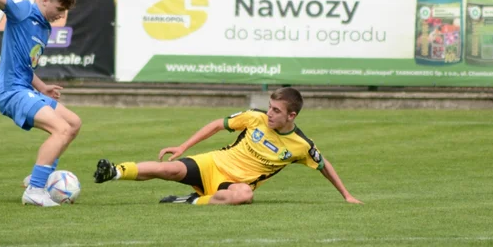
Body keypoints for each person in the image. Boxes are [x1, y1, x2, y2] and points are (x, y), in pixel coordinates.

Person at [94, 87, 362, 206]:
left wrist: (347, 195)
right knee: (171, 169)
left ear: (291, 116)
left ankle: (192, 201)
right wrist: (183, 146)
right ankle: (115, 171)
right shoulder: (255, 117)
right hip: (215, 163)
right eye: (270, 106)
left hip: (233, 184)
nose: (270, 113)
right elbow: (216, 125)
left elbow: (324, 165)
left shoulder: (301, 145)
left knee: (245, 196)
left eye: (277, 110)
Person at [0, 0, 81, 207]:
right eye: (60, 8)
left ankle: (37, 178)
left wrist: (42, 87)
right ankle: (35, 190)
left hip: (24, 88)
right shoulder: (22, 10)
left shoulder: (44, 28)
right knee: (61, 130)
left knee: (74, 124)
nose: (61, 15)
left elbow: (25, 65)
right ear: (44, 0)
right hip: (11, 92)